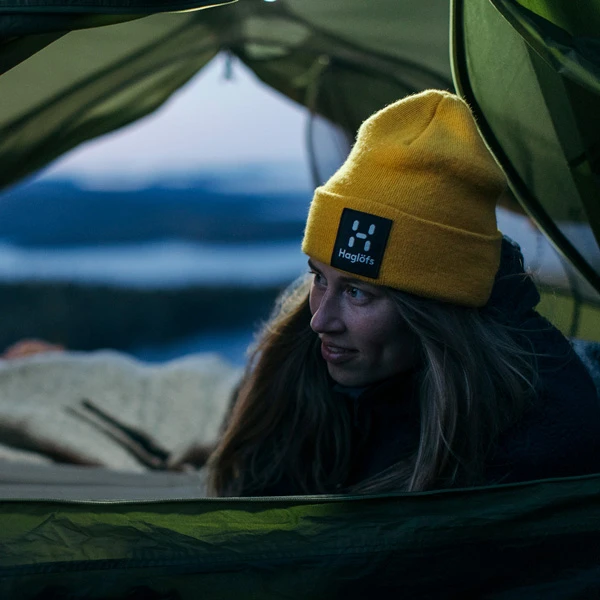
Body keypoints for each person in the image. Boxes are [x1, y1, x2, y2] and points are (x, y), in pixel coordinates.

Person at [206, 89, 600, 497]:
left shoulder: (537, 431)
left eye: (358, 293)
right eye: (319, 278)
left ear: (434, 307)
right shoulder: (301, 367)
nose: (320, 320)